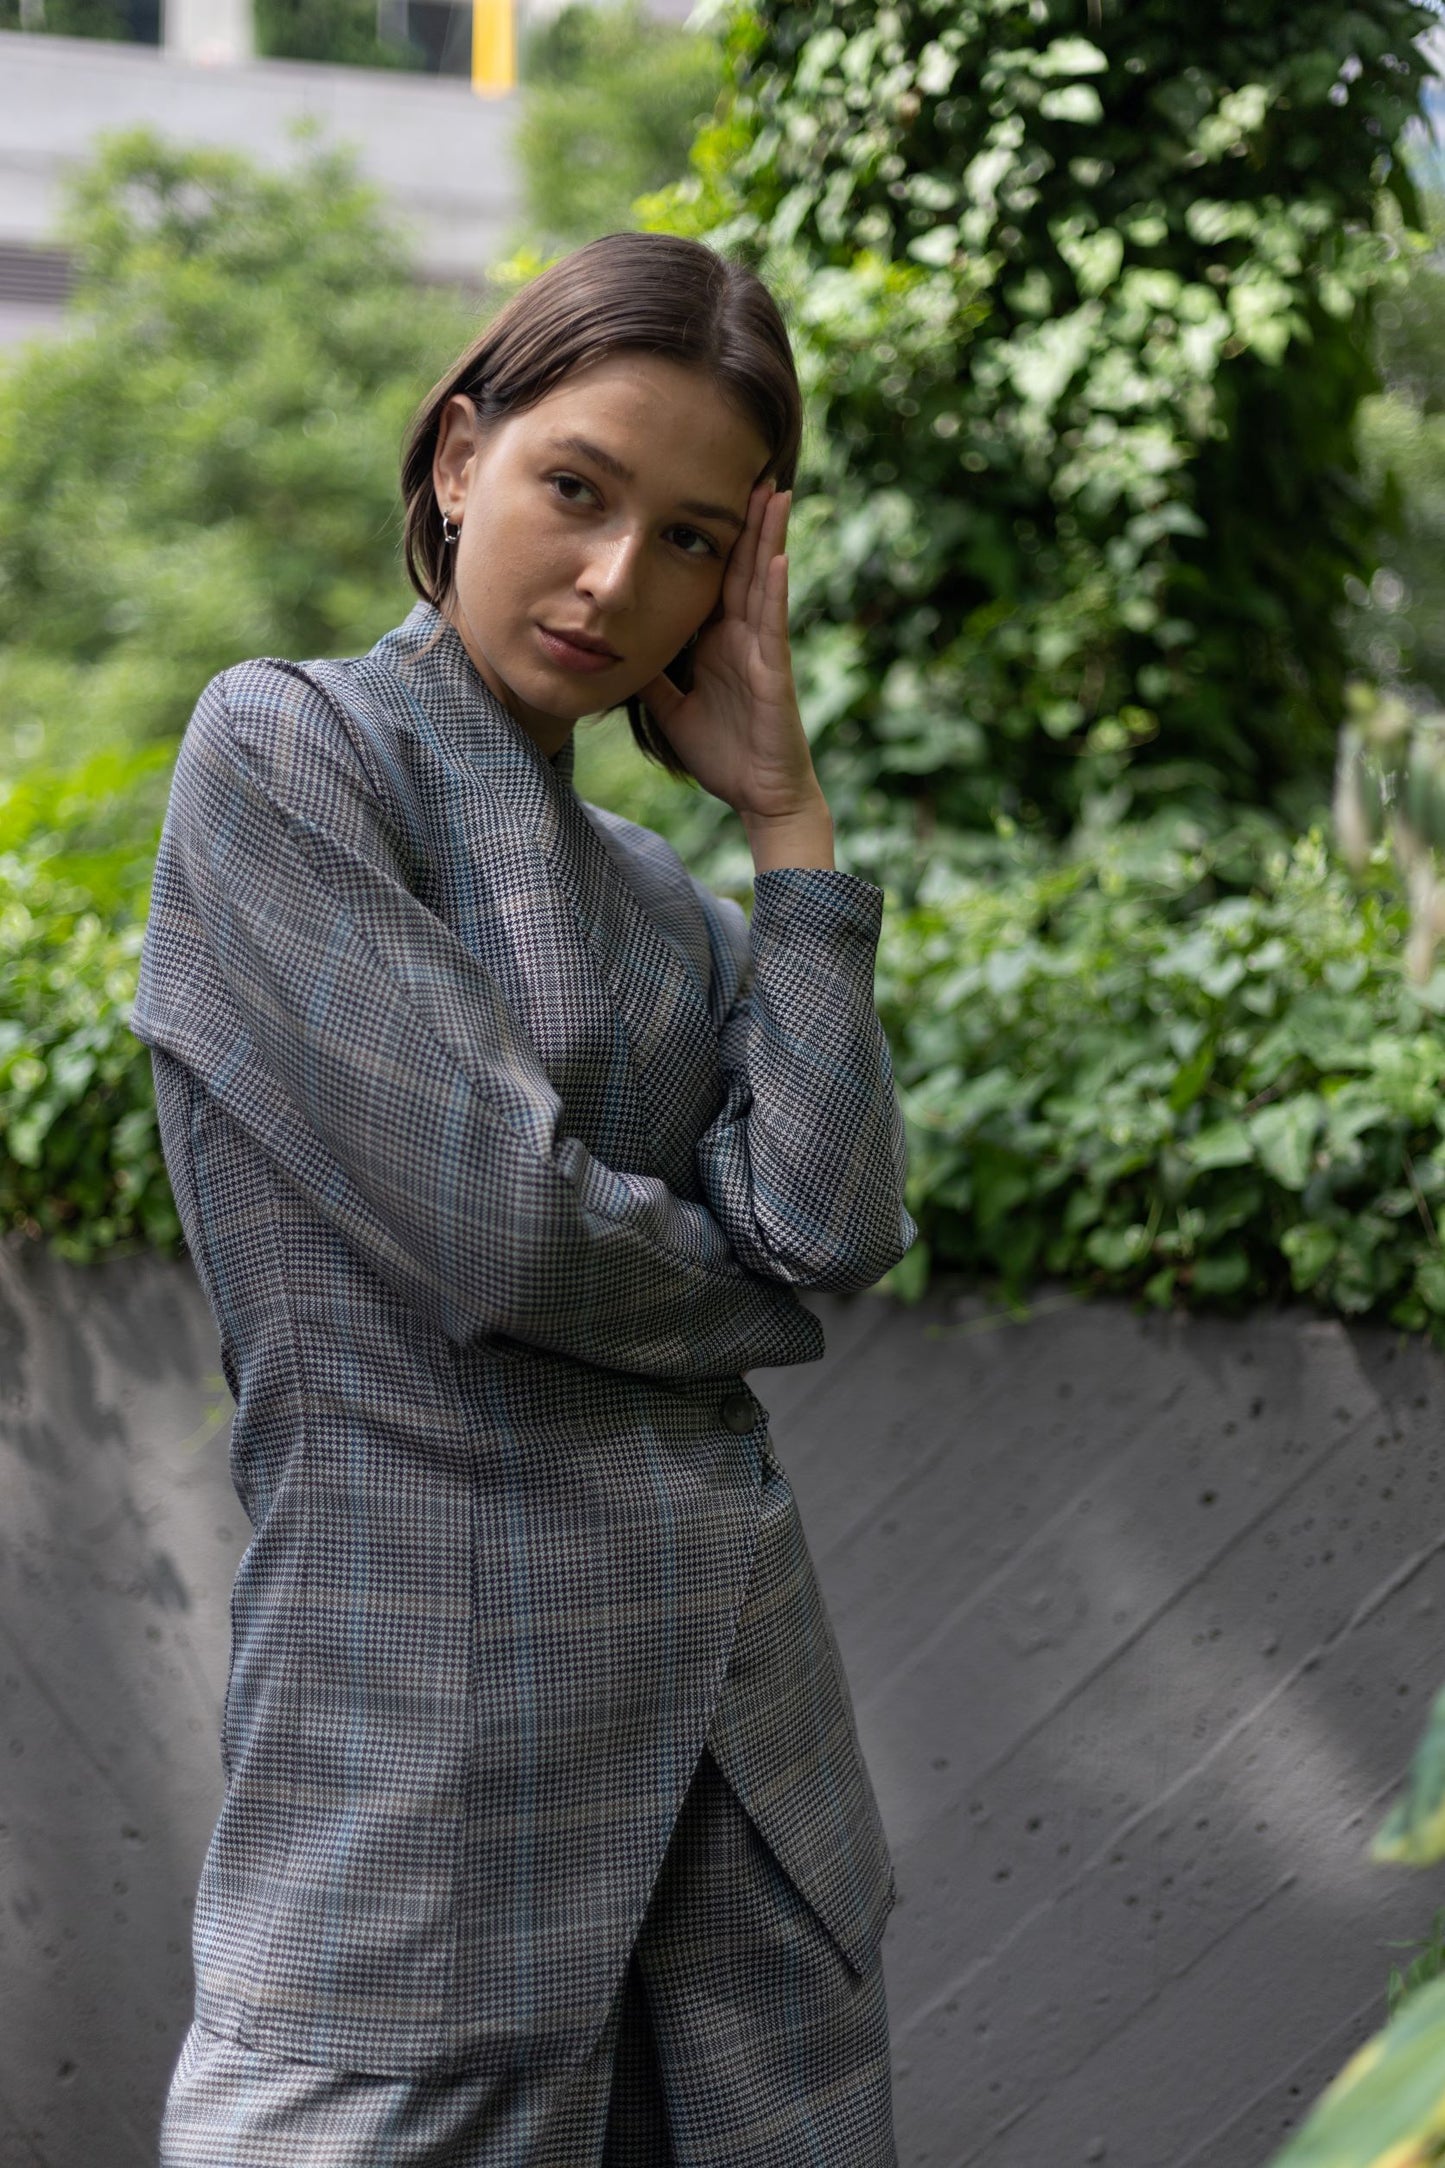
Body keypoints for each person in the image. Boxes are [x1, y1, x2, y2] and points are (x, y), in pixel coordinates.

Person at [133, 229, 916, 2166]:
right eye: (580, 489)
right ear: (465, 451)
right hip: (430, 1770)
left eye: (689, 542)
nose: (612, 580)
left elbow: (828, 1221)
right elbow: (504, 1227)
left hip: (742, 1773)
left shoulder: (667, 904)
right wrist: (734, 1301)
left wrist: (788, 827)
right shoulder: (294, 753)